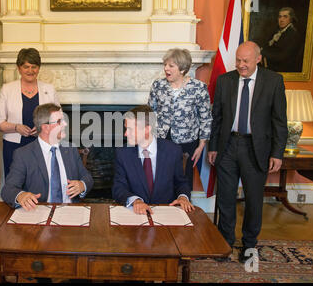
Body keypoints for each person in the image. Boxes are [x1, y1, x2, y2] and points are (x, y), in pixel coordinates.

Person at [208, 41, 287, 263]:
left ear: (258, 59)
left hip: (257, 148)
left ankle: (249, 245)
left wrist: (277, 153)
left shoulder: (273, 81)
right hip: (228, 146)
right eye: (238, 60)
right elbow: (217, 117)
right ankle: (225, 243)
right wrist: (213, 146)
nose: (241, 65)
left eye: (246, 61)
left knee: (253, 200)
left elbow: (280, 121)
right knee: (225, 199)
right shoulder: (225, 80)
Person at [1, 103, 93, 211]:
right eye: (59, 121)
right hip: (39, 213)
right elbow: (8, 190)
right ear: (45, 127)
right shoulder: (23, 155)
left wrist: (82, 185)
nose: (65, 124)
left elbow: (87, 177)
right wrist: (21, 196)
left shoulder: (70, 149)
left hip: (69, 211)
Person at [148, 48, 212, 191]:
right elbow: (150, 112)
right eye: (165, 65)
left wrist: (201, 146)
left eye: (171, 66)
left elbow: (206, 118)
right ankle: (163, 210)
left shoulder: (198, 87)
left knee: (183, 179)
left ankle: (183, 210)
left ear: (182, 69)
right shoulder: (158, 85)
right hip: (162, 140)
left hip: (188, 142)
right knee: (162, 178)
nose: (166, 69)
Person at [112, 105, 194, 215]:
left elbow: (181, 183)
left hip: (166, 214)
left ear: (147, 129)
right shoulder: (123, 153)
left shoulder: (173, 151)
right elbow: (118, 187)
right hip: (135, 214)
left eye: (130, 129)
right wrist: (136, 201)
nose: (125, 134)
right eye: (126, 128)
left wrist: (183, 197)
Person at [0, 48, 60, 177]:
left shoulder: (49, 89)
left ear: (39, 68)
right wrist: (16, 127)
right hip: (14, 147)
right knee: (16, 184)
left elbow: (59, 120)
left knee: (41, 183)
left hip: (43, 145)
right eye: (26, 67)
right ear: (19, 68)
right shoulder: (7, 89)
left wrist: (43, 129)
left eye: (34, 67)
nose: (30, 71)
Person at [261, 7, 303, 72]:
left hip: (283, 69)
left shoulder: (293, 35)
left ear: (291, 19)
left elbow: (282, 57)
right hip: (271, 66)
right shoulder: (277, 32)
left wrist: (263, 53)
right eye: (280, 17)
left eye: (285, 17)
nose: (281, 19)